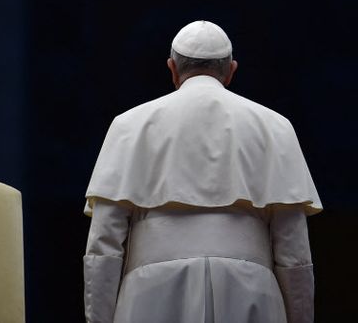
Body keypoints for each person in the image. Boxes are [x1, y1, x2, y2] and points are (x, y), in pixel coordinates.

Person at [83, 20, 322, 323]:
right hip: (250, 291)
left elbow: (104, 245)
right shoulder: (275, 126)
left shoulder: (128, 125)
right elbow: (294, 250)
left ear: (172, 69)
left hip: (151, 293)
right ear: (231, 71)